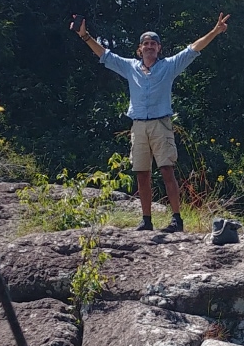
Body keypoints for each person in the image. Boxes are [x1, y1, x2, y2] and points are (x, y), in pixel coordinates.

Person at [73, 14, 230, 232]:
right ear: (140, 49)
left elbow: (193, 49)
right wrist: (85, 36)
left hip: (160, 124)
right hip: (138, 126)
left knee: (167, 171)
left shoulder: (169, 66)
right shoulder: (130, 67)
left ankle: (177, 219)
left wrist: (215, 31)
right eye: (145, 44)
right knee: (142, 174)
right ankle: (146, 220)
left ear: (159, 48)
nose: (149, 47)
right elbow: (105, 55)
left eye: (153, 44)